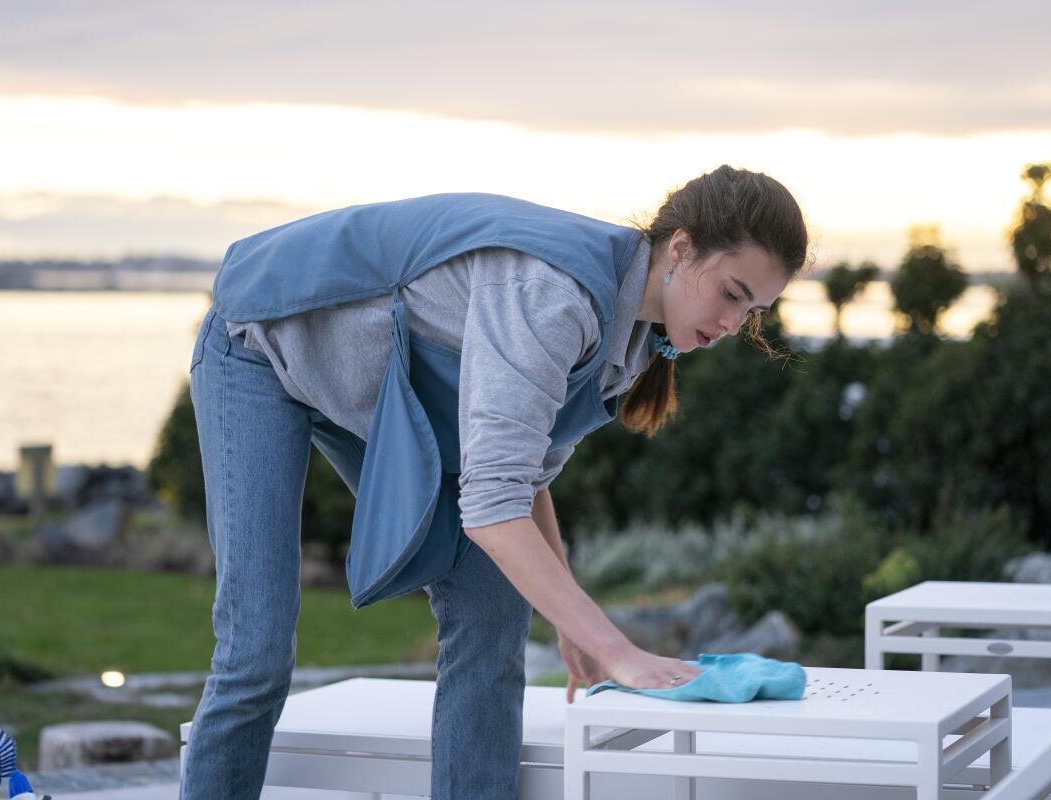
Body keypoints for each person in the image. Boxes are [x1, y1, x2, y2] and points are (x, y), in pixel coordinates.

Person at [180, 164, 810, 800]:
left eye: (753, 312)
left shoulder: (636, 344)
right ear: (681, 247)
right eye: (731, 294)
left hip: (374, 386)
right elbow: (491, 510)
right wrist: (617, 651)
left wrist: (571, 628)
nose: (734, 325)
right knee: (256, 652)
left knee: (493, 615)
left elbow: (522, 476)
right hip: (260, 348)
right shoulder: (553, 295)